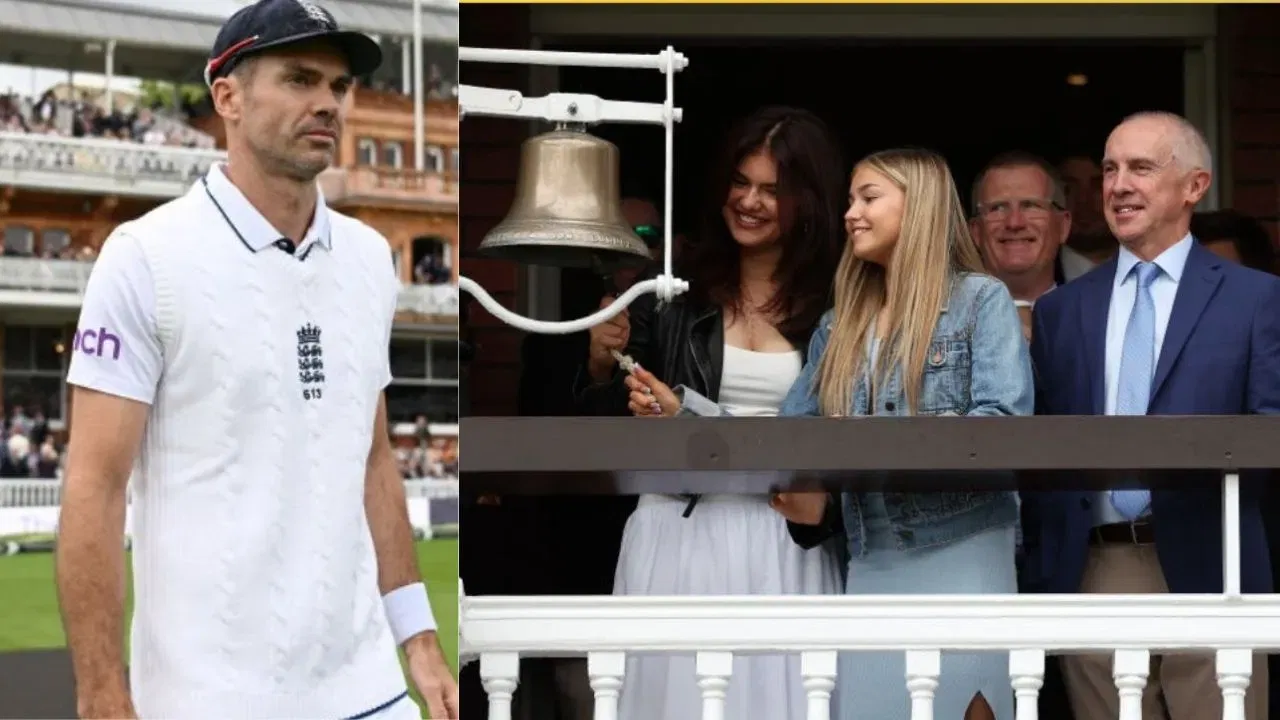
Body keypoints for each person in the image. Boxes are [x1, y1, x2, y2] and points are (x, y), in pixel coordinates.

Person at [53, 2, 457, 718]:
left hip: (370, 692)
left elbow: (372, 460)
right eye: (301, 79)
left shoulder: (369, 259)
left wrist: (417, 633)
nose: (328, 103)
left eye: (339, 87)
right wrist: (100, 694)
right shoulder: (144, 256)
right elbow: (94, 487)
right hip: (206, 700)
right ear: (227, 97)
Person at [576, 106, 847, 720]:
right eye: (739, 182)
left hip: (786, 540)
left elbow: (851, 424)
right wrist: (600, 366)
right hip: (678, 530)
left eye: (772, 190)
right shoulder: (667, 287)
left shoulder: (841, 300)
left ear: (810, 201)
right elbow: (600, 429)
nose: (748, 201)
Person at [1023, 111, 1279, 720]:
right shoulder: (1064, 310)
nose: (1117, 185)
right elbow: (1046, 454)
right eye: (1110, 169)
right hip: (1100, 561)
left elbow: (1271, 435)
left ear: (1195, 185)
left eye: (1140, 167)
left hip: (1221, 564)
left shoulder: (1256, 298)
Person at [769, 147, 1031, 720]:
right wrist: (687, 414)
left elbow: (1003, 424)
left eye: (868, 198)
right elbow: (790, 439)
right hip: (872, 560)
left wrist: (867, 438)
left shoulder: (979, 301)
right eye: (849, 202)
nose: (850, 215)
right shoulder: (839, 325)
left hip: (965, 550)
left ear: (920, 209)